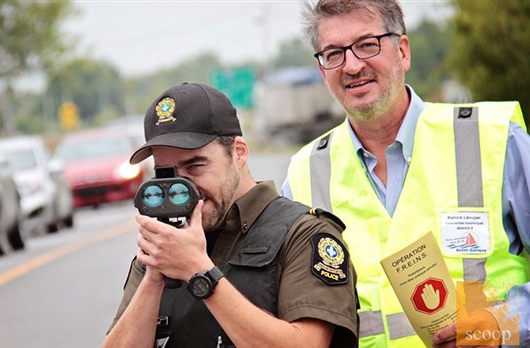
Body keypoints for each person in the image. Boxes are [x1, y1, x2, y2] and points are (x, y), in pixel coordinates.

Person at [282, 1, 530, 347]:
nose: (352, 66)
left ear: (403, 52)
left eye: (368, 45)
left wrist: (503, 324)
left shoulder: (492, 138)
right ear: (323, 71)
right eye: (334, 53)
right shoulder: (304, 174)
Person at [102, 82, 358, 348]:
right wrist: (154, 276)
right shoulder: (162, 250)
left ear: (238, 153)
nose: (182, 189)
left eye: (195, 166)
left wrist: (199, 271)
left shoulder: (302, 235)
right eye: (167, 174)